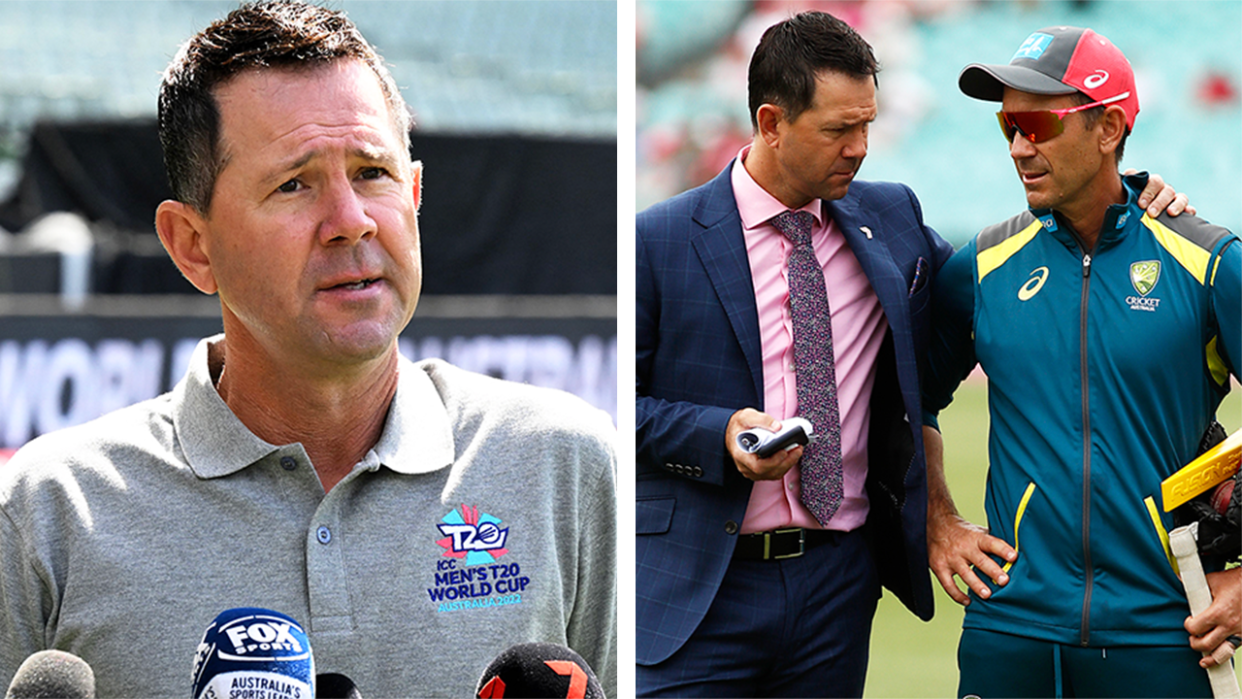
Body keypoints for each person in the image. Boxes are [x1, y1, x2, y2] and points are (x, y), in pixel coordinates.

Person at [0, 3, 616, 697]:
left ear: (415, 194)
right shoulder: (49, 509)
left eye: (374, 173)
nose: (351, 221)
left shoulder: (566, 465)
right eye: (294, 183)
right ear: (191, 246)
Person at [635, 10, 1188, 698]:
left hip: (834, 587)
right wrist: (717, 436)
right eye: (839, 129)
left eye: (868, 123)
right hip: (697, 588)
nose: (861, 147)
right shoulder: (656, 240)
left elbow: (1017, 277)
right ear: (772, 123)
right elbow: (613, 411)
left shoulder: (890, 221)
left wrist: (1130, 198)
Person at [923, 25, 1240, 698]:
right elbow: (903, 400)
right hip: (1009, 630)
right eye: (1008, 123)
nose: (1018, 146)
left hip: (1165, 632)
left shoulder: (1210, 263)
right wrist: (938, 519)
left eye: (1037, 122)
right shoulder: (978, 270)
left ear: (1109, 128)